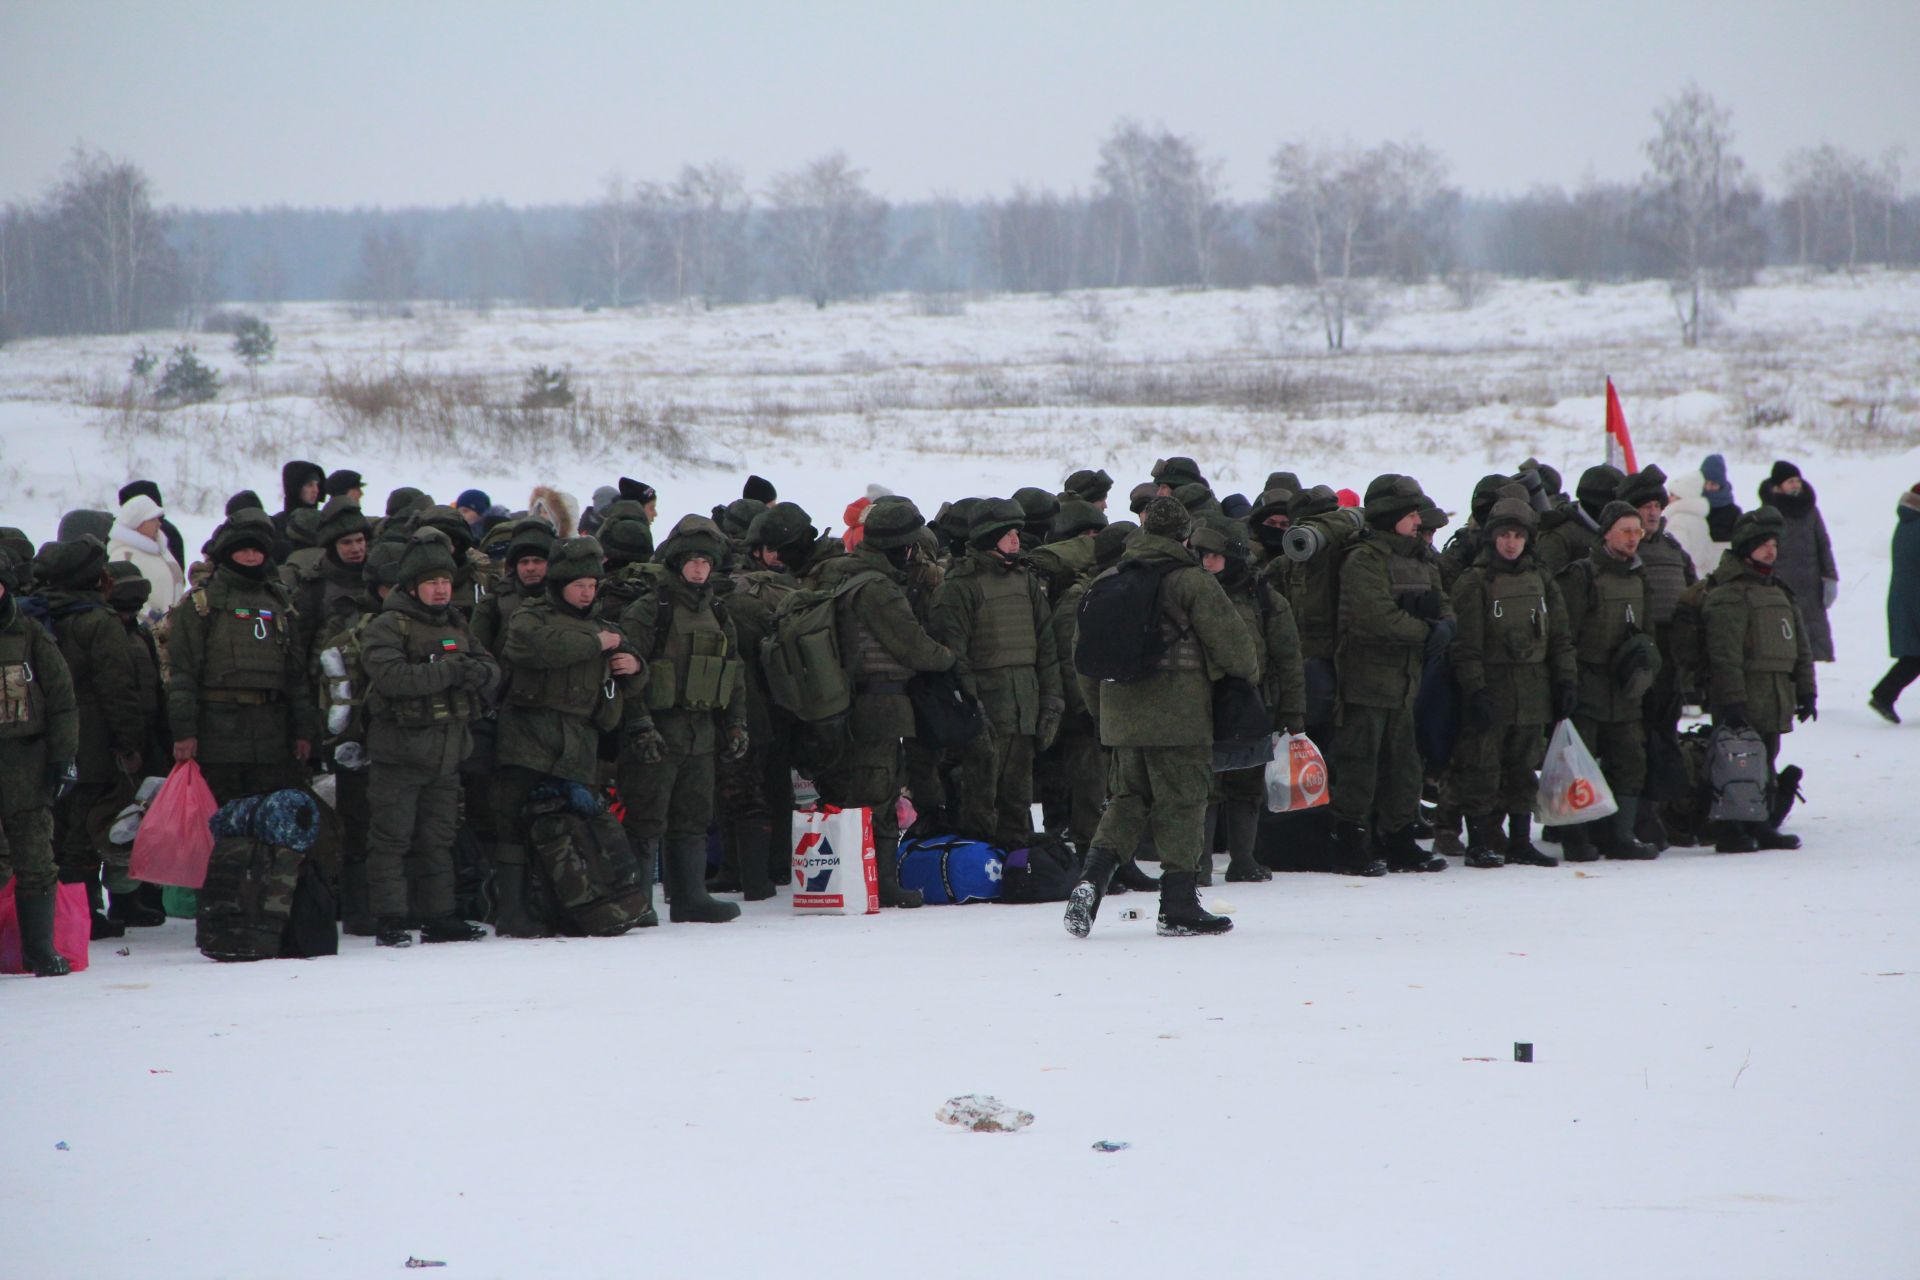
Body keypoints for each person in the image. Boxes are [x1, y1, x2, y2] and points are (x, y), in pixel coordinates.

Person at [1064, 497, 1256, 937]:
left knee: (1127, 799)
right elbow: (1238, 652)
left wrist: (1104, 716)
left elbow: (1083, 659)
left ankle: (1091, 881)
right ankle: (1178, 905)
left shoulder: (1108, 579)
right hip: (1180, 717)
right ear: (1184, 536)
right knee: (1183, 802)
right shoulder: (1192, 582)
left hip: (1121, 716)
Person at [491, 536, 644, 936]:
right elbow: (533, 648)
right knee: (512, 824)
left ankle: (572, 907)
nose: (588, 593)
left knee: (572, 830)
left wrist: (634, 665)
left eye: (593, 586)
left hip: (579, 742)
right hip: (528, 736)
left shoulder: (605, 626)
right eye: (580, 586)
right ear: (560, 584)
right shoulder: (531, 616)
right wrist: (595, 644)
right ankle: (512, 909)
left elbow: (633, 679)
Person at [809, 497, 957, 909]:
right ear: (905, 546)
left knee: (850, 788)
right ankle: (882, 883)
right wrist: (951, 656)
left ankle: (850, 878)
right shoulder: (879, 589)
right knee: (879, 790)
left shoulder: (837, 573)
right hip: (880, 702)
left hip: (840, 700)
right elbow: (915, 648)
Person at [359, 530, 499, 945]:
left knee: (438, 839)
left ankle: (440, 916)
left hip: (447, 751)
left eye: (444, 582)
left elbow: (490, 669)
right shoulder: (388, 625)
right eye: (431, 583)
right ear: (412, 586)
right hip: (399, 753)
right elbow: (390, 676)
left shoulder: (457, 621)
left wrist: (476, 672)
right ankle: (390, 918)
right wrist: (453, 671)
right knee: (391, 838)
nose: (440, 590)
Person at [616, 515, 749, 925]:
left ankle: (690, 896)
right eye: (692, 560)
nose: (699, 568)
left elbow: (733, 672)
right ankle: (638, 901)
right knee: (646, 817)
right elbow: (626, 673)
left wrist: (736, 723)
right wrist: (640, 725)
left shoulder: (718, 611)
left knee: (693, 816)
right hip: (659, 727)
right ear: (677, 562)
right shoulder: (650, 610)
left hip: (701, 729)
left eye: (706, 562)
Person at [1324, 475, 1451, 876]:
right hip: (1365, 679)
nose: (1418, 521)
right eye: (1411, 514)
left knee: (1404, 765)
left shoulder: (1419, 558)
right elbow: (1375, 617)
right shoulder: (1364, 559)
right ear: (1392, 517)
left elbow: (1442, 603)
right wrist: (1428, 632)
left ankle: (1397, 837)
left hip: (1405, 681)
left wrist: (1445, 626)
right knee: (1359, 763)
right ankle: (1350, 842)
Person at [32, 537, 152, 936]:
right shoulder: (97, 622)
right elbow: (118, 689)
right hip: (94, 742)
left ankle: (56, 914)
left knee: (55, 828)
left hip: (41, 740)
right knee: (85, 829)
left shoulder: (35, 613)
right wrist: (131, 743)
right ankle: (81, 916)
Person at [929, 499, 1063, 853]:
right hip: (986, 711)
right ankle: (978, 867)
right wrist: (974, 711)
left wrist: (1051, 701)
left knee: (1018, 799)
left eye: (1017, 532)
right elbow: (955, 659)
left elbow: (1047, 648)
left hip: (1025, 709)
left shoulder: (1026, 581)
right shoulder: (960, 586)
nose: (1016, 540)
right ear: (990, 537)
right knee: (979, 796)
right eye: (1008, 534)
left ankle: (1018, 871)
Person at [1448, 498, 1576, 868]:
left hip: (1533, 686)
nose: (1510, 542)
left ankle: (1519, 840)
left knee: (1523, 767)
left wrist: (1565, 681)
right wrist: (1475, 689)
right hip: (1493, 683)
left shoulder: (1542, 579)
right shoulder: (1474, 582)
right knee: (1482, 767)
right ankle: (1480, 841)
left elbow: (1560, 639)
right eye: (1504, 534)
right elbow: (1465, 646)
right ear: (1491, 538)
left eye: (1517, 535)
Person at [165, 509, 317, 806]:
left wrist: (303, 731)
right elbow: (182, 675)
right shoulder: (201, 604)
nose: (251, 557)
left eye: (257, 551)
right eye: (243, 550)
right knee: (218, 821)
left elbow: (296, 676)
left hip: (271, 735)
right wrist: (184, 733)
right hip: (218, 737)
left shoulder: (279, 604)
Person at [1195, 516, 1305, 884]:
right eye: (1203, 555)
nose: (1207, 563)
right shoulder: (1190, 592)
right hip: (1202, 704)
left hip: (1253, 705)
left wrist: (1293, 712)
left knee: (1247, 785)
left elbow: (1288, 659)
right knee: (1204, 786)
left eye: (1215, 556)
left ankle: (1244, 860)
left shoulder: (1265, 600)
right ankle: (1200, 866)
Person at [1702, 508, 1816, 851]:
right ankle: (1730, 828)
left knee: (1766, 758)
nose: (1771, 550)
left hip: (1775, 692)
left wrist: (1807, 691)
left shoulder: (1778, 591)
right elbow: (1725, 654)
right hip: (1745, 694)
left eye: (1774, 543)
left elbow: (1800, 647)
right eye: (1763, 544)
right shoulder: (1729, 594)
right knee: (1734, 762)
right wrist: (1733, 698)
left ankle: (1760, 822)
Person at [1555, 501, 1660, 861]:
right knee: (1578, 764)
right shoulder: (1581, 576)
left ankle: (1621, 835)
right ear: (1606, 533)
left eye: (1638, 532)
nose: (1634, 539)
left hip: (1625, 689)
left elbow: (1648, 631)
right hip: (1587, 684)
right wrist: (1566, 682)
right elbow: (1563, 635)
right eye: (1626, 531)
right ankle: (1576, 837)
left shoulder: (1638, 577)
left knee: (1630, 759)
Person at [0, 548, 80, 976]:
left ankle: (40, 950)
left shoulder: (30, 636)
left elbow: (63, 702)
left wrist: (64, 757)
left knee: (35, 860)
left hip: (26, 766)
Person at [1756, 461, 1838, 662]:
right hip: (1782, 583)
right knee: (1784, 642)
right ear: (1778, 486)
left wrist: (1830, 577)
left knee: (1810, 645)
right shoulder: (1769, 512)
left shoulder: (1810, 510)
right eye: (1790, 481)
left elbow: (1823, 544)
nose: (1795, 485)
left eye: (1797, 481)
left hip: (1810, 584)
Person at [1870, 483, 1920, 723]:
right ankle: (1883, 694)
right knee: (1914, 657)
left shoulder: (1907, 522)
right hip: (1914, 602)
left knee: (1914, 656)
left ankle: (1884, 694)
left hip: (1906, 600)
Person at [107, 491, 185, 617]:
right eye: (152, 519)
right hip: (149, 632)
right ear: (137, 523)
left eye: (158, 518)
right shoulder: (124, 555)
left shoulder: (161, 550)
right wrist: (150, 619)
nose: (159, 523)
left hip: (173, 629)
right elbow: (121, 597)